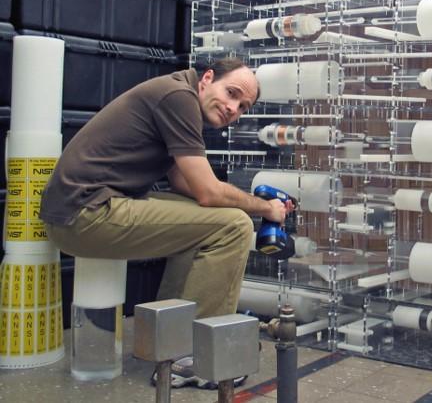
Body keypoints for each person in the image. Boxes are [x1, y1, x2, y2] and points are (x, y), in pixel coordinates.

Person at [40, 57, 291, 388]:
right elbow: (206, 191)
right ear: (207, 78)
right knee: (233, 225)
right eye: (231, 94)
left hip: (85, 207)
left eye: (243, 107)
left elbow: (186, 185)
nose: (234, 109)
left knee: (213, 220)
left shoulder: (177, 95)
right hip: (84, 214)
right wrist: (265, 209)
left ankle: (166, 346)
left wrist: (244, 203)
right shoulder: (178, 97)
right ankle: (195, 357)